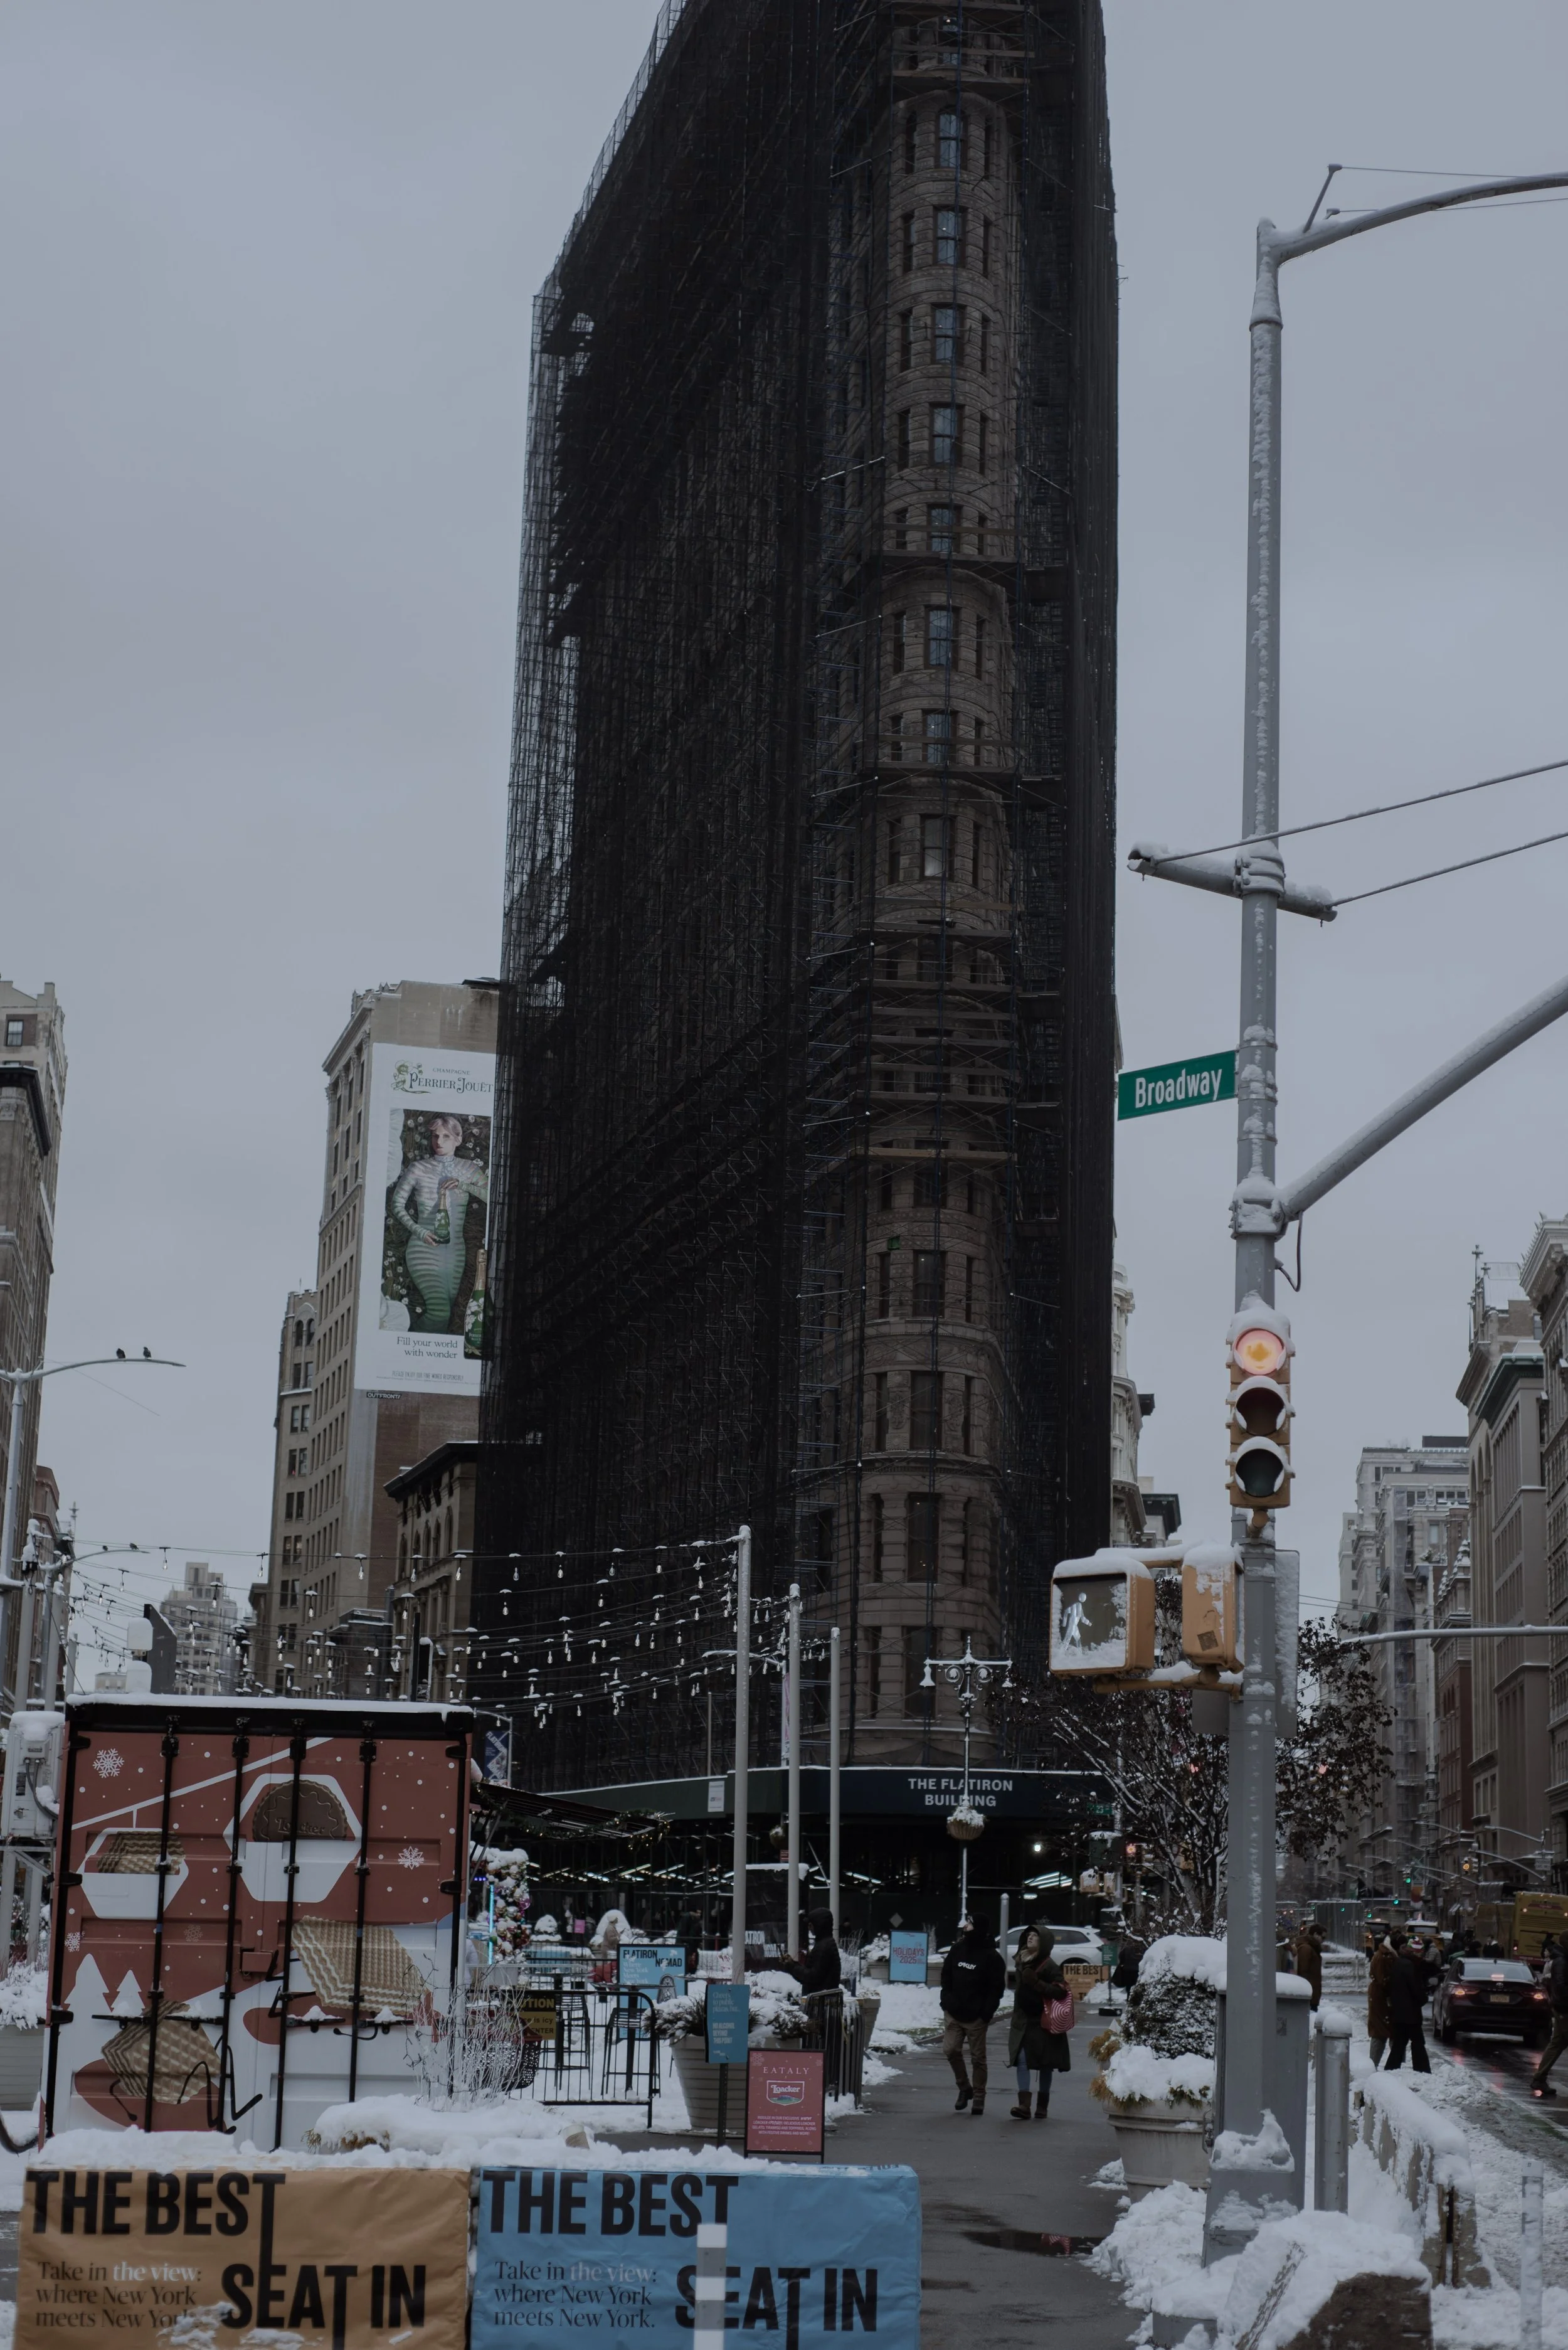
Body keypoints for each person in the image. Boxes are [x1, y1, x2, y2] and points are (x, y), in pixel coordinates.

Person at [389, 1112, 489, 1334]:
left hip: (455, 1251)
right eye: (435, 1136)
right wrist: (420, 1231)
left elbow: (492, 1196)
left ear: (458, 1139)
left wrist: (465, 1186)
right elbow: (397, 1205)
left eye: (446, 1136)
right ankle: (411, 1345)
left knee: (447, 1311)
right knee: (440, 1311)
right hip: (423, 1248)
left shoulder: (469, 1169)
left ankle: (417, 1343)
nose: (439, 1142)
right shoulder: (418, 1169)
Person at [940, 1913, 1006, 2116]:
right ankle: (964, 2087)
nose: (965, 1926)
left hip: (976, 2017)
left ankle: (979, 2096)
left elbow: (996, 1989)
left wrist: (986, 2013)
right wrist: (946, 2001)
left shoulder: (992, 1957)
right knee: (951, 2050)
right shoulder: (958, 1949)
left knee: (978, 2059)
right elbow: (946, 1976)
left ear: (978, 1928)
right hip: (954, 2013)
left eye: (969, 1924)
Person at [1007, 1926, 1072, 2120]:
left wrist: (1037, 1984)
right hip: (1024, 2021)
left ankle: (1042, 2106)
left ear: (1043, 1942)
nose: (1030, 1938)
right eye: (1029, 1935)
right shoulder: (1021, 1960)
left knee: (1046, 2063)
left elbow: (1061, 1991)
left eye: (1035, 1936)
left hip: (1043, 2021)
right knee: (1022, 2060)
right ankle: (1024, 2106)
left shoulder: (1050, 1965)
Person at [1382, 1933, 1431, 2073]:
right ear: (1416, 1952)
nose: (1422, 1955)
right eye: (1420, 1952)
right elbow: (1415, 1988)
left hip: (1399, 2012)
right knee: (1418, 2043)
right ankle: (1422, 2070)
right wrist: (1424, 1999)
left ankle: (1391, 2068)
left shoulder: (1399, 1963)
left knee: (1400, 2043)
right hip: (1411, 2013)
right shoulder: (1411, 1966)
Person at [1530, 1933, 1568, 2098]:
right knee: (1558, 2043)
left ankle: (1539, 2078)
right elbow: (1561, 1987)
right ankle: (1539, 2078)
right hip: (1565, 2009)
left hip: (1562, 2008)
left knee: (1558, 2043)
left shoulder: (1562, 1959)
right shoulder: (1562, 1961)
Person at [780, 1908, 842, 1999]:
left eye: (811, 1924)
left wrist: (792, 1967)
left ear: (819, 1925)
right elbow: (809, 1977)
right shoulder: (824, 1944)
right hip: (821, 2002)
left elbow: (812, 1977)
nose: (809, 1928)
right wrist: (792, 1966)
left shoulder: (824, 1947)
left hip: (821, 2004)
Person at [1367, 1928, 1400, 2069]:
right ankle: (1373, 2066)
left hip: (1382, 2000)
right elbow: (1384, 1980)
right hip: (1382, 2000)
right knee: (1381, 2032)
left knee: (1387, 2031)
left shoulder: (1386, 1954)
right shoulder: (1385, 1957)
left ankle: (1391, 2065)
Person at [1294, 1921, 1323, 2012]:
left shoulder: (1312, 1948)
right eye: (1323, 1937)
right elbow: (1303, 1972)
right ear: (1316, 1935)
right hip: (1309, 1994)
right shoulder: (1307, 1949)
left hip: (1311, 1993)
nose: (1323, 1940)